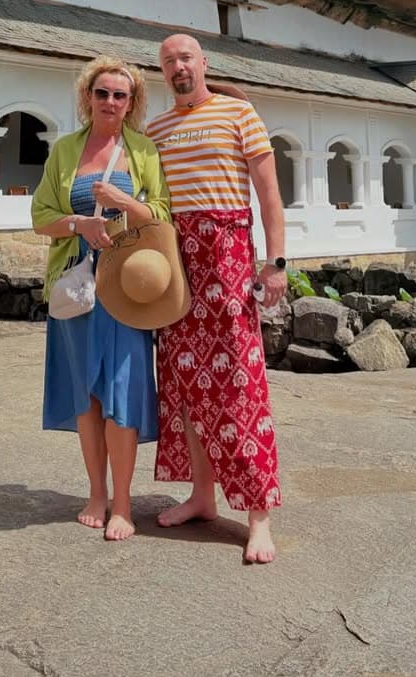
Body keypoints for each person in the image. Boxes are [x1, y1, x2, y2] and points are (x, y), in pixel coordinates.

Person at [147, 34, 286, 565]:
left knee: (239, 381)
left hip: (227, 256)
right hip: (175, 261)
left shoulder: (239, 113)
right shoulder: (155, 129)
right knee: (183, 384)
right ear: (163, 72)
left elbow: (269, 193)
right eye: (169, 61)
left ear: (203, 63)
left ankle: (258, 515)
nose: (178, 66)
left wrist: (275, 263)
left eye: (186, 57)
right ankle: (202, 498)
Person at [32, 56, 170, 541]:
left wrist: (126, 203)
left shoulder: (144, 151)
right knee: (87, 397)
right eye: (102, 93)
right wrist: (80, 224)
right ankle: (96, 493)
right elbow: (41, 215)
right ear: (87, 96)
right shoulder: (65, 151)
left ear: (132, 103)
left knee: (122, 393)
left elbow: (162, 214)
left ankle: (124, 504)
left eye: (120, 95)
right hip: (76, 287)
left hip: (128, 288)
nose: (110, 102)